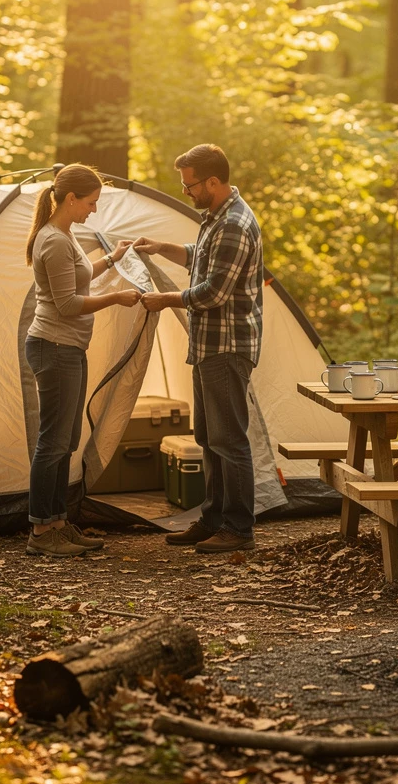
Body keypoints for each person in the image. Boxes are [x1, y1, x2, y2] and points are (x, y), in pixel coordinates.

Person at [133, 144, 264, 554]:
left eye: (190, 185)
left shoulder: (236, 224)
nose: (186, 191)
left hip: (227, 346)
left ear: (213, 181)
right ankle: (212, 519)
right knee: (208, 437)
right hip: (209, 346)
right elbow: (200, 258)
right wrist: (161, 248)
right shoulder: (215, 218)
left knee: (229, 440)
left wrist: (165, 299)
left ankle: (239, 530)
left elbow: (214, 292)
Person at [24, 163, 140, 557]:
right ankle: (41, 532)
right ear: (71, 199)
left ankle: (57, 521)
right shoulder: (53, 240)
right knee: (52, 441)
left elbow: (80, 276)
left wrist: (113, 259)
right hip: (54, 347)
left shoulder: (64, 235)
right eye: (90, 202)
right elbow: (67, 303)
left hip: (68, 349)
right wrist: (116, 298)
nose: (93, 210)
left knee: (66, 440)